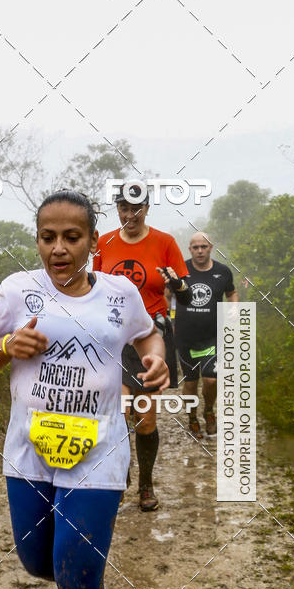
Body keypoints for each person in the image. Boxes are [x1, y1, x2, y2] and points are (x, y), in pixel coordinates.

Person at [0, 190, 169, 589]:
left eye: (71, 237)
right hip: (29, 452)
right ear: (37, 240)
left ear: (92, 241)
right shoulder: (17, 290)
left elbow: (147, 333)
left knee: (77, 568)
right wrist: (8, 345)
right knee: (40, 561)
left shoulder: (119, 293)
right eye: (48, 237)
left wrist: (155, 358)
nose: (59, 248)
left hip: (98, 452)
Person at [93, 181, 192, 511]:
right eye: (124, 208)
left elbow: (185, 294)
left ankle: (146, 485)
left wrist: (177, 285)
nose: (130, 215)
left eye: (136, 208)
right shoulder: (104, 243)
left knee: (146, 419)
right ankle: (120, 478)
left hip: (151, 336)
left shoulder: (165, 242)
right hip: (113, 338)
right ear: (118, 209)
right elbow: (92, 288)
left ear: (147, 208)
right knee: (118, 414)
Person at [174, 231, 239, 439]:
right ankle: (192, 417)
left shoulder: (223, 271)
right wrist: (166, 318)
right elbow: (166, 295)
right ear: (190, 249)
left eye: (204, 246)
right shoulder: (181, 271)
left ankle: (209, 411)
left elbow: (231, 293)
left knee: (211, 380)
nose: (200, 251)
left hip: (213, 336)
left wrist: (234, 308)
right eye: (196, 247)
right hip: (185, 338)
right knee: (191, 383)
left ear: (211, 247)